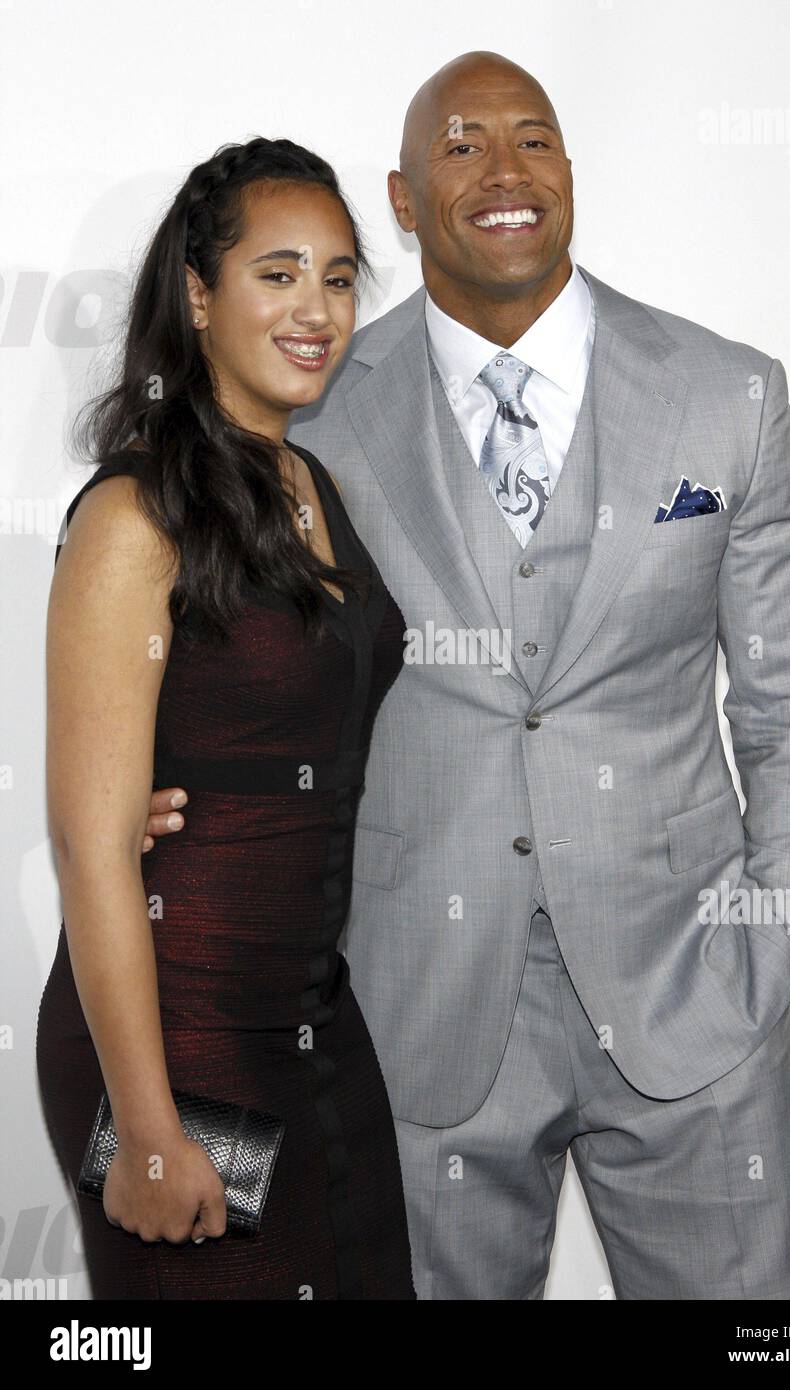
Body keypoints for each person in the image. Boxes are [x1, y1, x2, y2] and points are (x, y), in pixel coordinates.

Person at [144, 53, 790, 1300]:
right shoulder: (311, 408)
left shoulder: (725, 395)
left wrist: (783, 927)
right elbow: (226, 650)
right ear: (406, 201)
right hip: (418, 1003)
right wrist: (157, 797)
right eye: (462, 145)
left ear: (570, 175)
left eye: (533, 138)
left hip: (695, 997)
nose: (505, 170)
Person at [36, 137, 416, 1300]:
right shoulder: (132, 514)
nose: (317, 309)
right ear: (198, 294)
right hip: (174, 1042)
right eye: (279, 272)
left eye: (341, 277)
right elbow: (92, 848)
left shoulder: (317, 490)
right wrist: (148, 1125)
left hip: (313, 1022)